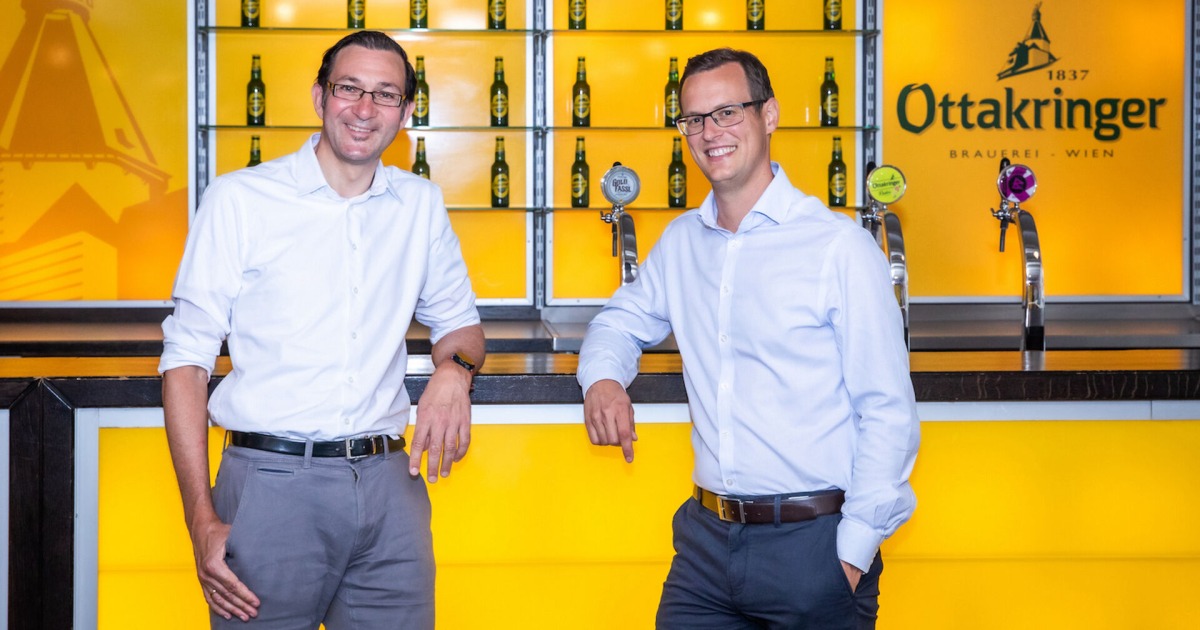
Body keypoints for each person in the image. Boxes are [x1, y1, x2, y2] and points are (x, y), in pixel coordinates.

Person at [577, 48, 920, 629]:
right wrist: (603, 379)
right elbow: (617, 322)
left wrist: (852, 553)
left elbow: (888, 411)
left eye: (728, 112)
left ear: (769, 115)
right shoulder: (683, 242)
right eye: (694, 119)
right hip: (705, 548)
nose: (710, 132)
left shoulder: (837, 246)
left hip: (813, 546)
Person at [159, 31, 483, 628]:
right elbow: (186, 361)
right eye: (349, 88)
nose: (365, 108)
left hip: (392, 488)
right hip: (271, 486)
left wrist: (454, 372)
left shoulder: (421, 205)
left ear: (406, 112)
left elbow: (461, 327)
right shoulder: (239, 199)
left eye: (385, 94)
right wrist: (199, 518)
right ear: (319, 97)